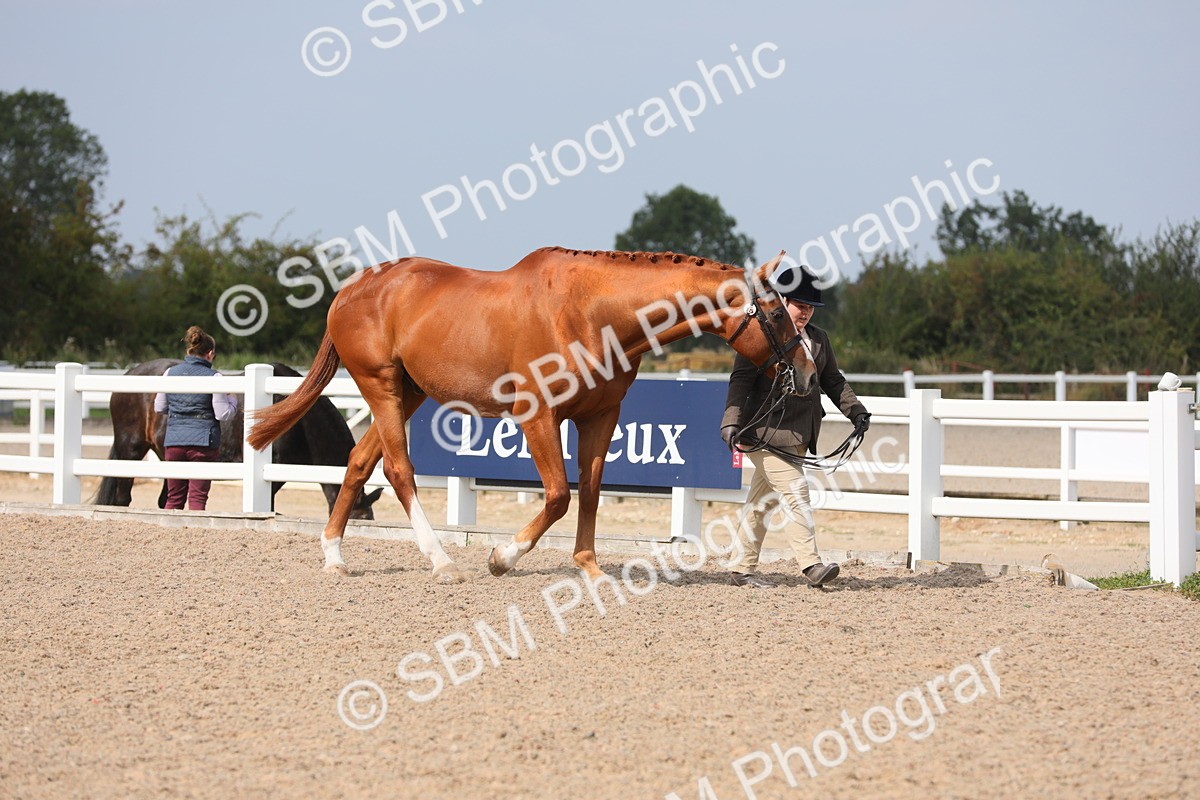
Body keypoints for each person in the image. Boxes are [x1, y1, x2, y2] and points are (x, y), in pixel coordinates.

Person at [720, 265, 870, 588]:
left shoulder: (819, 340)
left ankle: (740, 567)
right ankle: (811, 564)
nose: (806, 313)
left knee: (762, 501)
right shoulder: (760, 334)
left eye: (810, 307)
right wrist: (731, 421)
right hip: (762, 432)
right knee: (796, 490)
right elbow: (741, 378)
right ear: (784, 302)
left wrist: (855, 410)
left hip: (799, 435)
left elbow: (833, 381)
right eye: (800, 305)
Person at [153, 326, 239, 511]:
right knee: (198, 499)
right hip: (203, 443)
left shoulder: (169, 373)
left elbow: (159, 407)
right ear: (210, 354)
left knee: (174, 498)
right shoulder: (215, 377)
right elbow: (222, 414)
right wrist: (233, 400)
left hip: (174, 441)